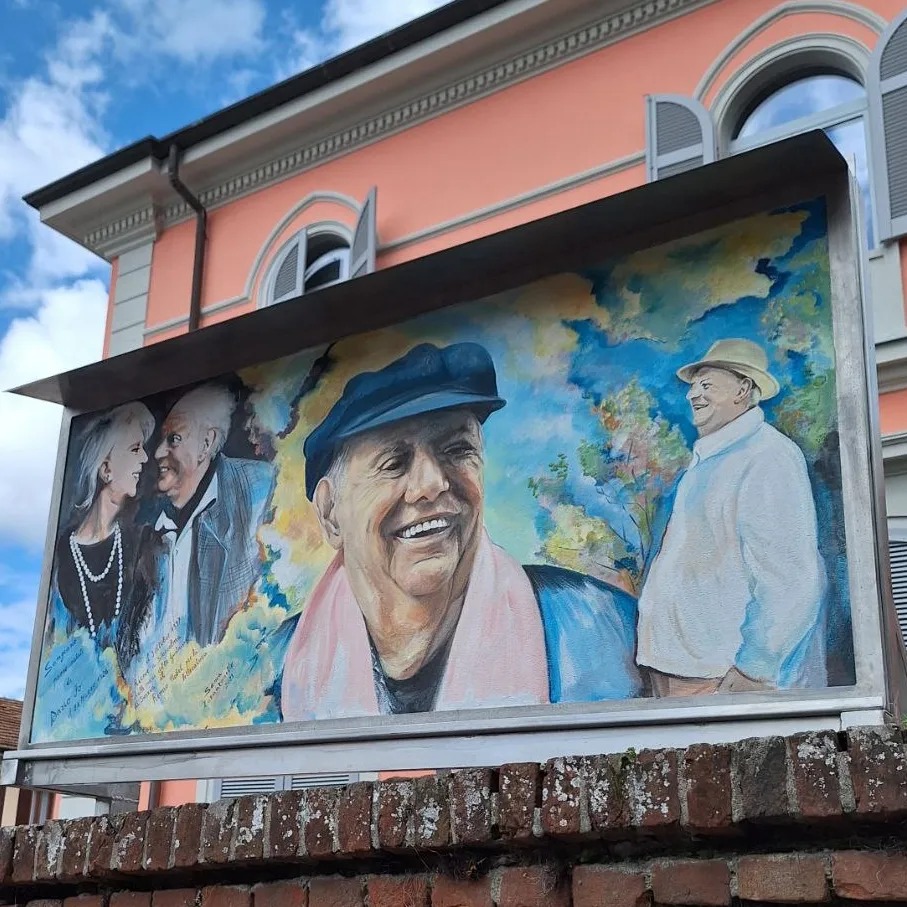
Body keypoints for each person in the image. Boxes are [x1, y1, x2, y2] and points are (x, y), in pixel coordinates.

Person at [280, 342, 641, 721]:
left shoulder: (602, 629)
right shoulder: (277, 669)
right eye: (393, 463)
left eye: (456, 450)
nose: (432, 484)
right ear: (331, 514)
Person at [636, 338, 826, 697]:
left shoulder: (767, 456)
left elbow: (790, 576)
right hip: (679, 667)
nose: (693, 394)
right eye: (693, 386)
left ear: (742, 389)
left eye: (706, 385)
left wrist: (754, 668)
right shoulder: (712, 457)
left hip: (719, 677)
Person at [152, 382, 275, 647]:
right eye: (162, 439)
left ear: (205, 443)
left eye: (174, 439)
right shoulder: (152, 529)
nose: (158, 452)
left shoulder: (260, 490)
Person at [54, 401, 161, 666]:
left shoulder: (145, 543)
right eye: (135, 449)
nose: (145, 458)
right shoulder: (61, 555)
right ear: (106, 469)